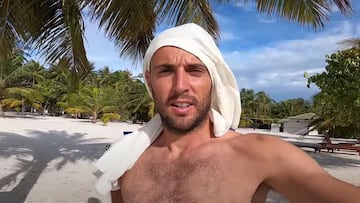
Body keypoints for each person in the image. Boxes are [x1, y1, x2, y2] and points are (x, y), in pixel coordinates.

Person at [95, 23, 360, 203]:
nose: (180, 86)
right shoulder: (126, 159)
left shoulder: (258, 153)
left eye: (195, 71)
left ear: (214, 80)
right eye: (166, 71)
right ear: (150, 80)